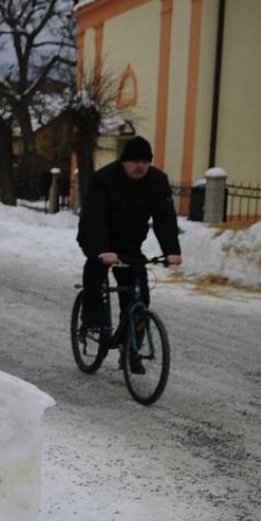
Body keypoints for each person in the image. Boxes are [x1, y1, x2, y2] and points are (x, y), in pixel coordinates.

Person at [77, 135, 182, 372]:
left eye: (145, 161)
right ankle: (91, 315)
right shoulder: (104, 179)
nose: (140, 166)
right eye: (135, 161)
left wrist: (171, 251)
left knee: (139, 295)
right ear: (124, 161)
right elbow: (95, 218)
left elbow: (165, 217)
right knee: (95, 269)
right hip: (98, 236)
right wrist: (102, 249)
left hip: (130, 242)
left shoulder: (157, 181)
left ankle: (131, 348)